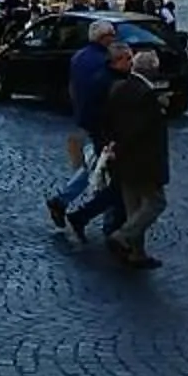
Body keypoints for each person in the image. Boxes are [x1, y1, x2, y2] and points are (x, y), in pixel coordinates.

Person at [47, 17, 118, 236]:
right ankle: (106, 219)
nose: (115, 39)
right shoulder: (104, 60)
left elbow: (72, 87)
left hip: (85, 117)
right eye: (112, 35)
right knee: (105, 169)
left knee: (94, 165)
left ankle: (62, 200)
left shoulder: (79, 57)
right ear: (103, 38)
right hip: (101, 122)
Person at [104, 44, 170, 268]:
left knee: (133, 205)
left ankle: (136, 252)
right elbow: (142, 131)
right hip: (143, 159)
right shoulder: (147, 96)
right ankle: (123, 236)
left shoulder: (119, 87)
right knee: (155, 202)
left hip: (123, 157)